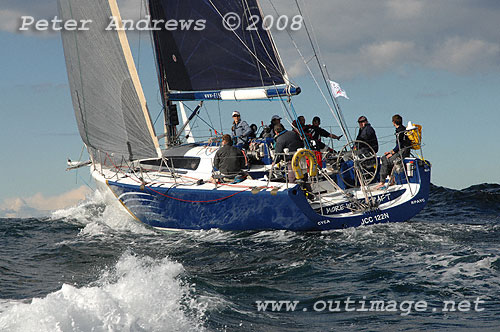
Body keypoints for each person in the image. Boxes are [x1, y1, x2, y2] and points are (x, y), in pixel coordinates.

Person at [376, 114, 412, 189]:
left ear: (393, 122)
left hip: (402, 152)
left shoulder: (399, 131)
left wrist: (391, 153)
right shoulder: (403, 129)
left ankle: (382, 182)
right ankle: (392, 179)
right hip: (403, 150)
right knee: (385, 158)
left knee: (386, 159)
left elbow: (399, 145)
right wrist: (390, 152)